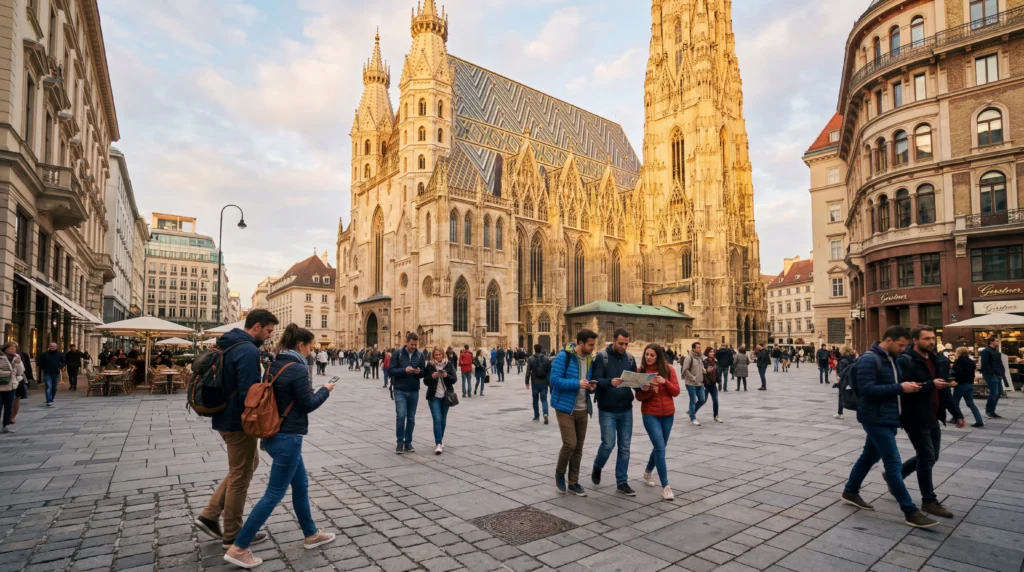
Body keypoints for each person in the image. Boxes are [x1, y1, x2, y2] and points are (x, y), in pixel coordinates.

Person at [223, 324, 335, 569]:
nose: (311, 350)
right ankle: (239, 547)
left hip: (272, 434)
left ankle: (311, 534)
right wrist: (325, 391)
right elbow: (308, 404)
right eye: (309, 346)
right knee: (273, 494)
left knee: (301, 484)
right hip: (288, 438)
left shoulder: (274, 364)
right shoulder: (297, 368)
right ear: (300, 345)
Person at [194, 310, 280, 548]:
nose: (269, 336)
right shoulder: (247, 350)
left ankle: (210, 515)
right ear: (257, 327)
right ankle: (233, 533)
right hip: (237, 421)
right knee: (240, 476)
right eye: (269, 331)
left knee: (247, 466)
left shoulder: (228, 343)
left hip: (224, 415)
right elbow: (248, 392)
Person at [839, 325, 938, 529]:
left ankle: (850, 491)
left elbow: (896, 384)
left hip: (888, 417)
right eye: (901, 345)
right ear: (889, 340)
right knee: (893, 464)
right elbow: (867, 390)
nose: (903, 349)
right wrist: (900, 388)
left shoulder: (891, 359)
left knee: (869, 456)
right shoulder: (869, 359)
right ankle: (910, 511)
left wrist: (923, 386)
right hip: (874, 417)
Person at [893, 325, 964, 519]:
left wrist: (956, 413)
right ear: (915, 340)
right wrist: (929, 385)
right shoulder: (906, 360)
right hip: (914, 416)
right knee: (926, 457)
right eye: (926, 339)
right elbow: (903, 387)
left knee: (932, 456)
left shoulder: (937, 360)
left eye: (933, 338)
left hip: (933, 414)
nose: (931, 342)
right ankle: (929, 500)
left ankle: (895, 477)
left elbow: (944, 389)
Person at [590, 329, 639, 496]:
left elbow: (634, 381)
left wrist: (643, 385)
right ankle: (598, 465)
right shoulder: (601, 357)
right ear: (613, 341)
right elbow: (596, 381)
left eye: (626, 344)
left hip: (626, 408)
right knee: (608, 443)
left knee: (625, 447)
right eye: (621, 343)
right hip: (607, 408)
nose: (624, 347)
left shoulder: (630, 359)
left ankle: (622, 481)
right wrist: (610, 382)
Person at [550, 329, 597, 497]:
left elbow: (587, 385)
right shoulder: (564, 356)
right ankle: (559, 473)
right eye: (590, 345)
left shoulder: (590, 359)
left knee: (579, 447)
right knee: (570, 443)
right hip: (564, 407)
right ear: (581, 343)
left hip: (583, 408)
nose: (593, 348)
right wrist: (577, 383)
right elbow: (554, 380)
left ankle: (574, 482)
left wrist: (591, 387)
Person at [635, 343, 679, 501]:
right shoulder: (641, 371)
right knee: (660, 447)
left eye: (652, 355)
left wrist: (664, 382)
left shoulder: (668, 370)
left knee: (660, 446)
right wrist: (646, 391)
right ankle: (666, 486)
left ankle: (648, 472)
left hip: (668, 414)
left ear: (658, 356)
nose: (648, 357)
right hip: (650, 414)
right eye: (647, 354)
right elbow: (638, 397)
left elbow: (676, 391)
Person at [388, 333, 426, 454]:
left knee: (411, 418)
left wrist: (419, 372)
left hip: (414, 390)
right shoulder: (397, 353)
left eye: (415, 344)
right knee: (401, 416)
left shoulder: (420, 355)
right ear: (406, 342)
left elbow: (423, 372)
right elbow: (391, 370)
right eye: (412, 344)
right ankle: (400, 442)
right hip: (400, 390)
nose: (414, 347)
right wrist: (404, 370)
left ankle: (408, 442)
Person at [423, 347, 456, 455]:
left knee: (443, 420)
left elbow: (454, 379)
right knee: (437, 419)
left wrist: (446, 375)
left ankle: (440, 439)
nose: (438, 357)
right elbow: (425, 381)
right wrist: (432, 376)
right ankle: (438, 443)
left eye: (439, 355)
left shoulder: (449, 364)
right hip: (434, 397)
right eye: (436, 355)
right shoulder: (430, 366)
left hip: (446, 396)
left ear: (443, 355)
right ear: (433, 356)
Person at [952, 347, 983, 428]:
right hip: (969, 384)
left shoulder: (959, 361)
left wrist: (954, 378)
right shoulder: (971, 361)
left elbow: (957, 372)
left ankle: (956, 418)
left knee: (955, 403)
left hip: (960, 384)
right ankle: (979, 420)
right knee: (971, 404)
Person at [681, 342, 707, 426]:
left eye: (700, 347)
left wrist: (703, 370)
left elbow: (701, 366)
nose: (700, 349)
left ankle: (691, 412)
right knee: (693, 400)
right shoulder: (688, 358)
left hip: (700, 382)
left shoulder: (700, 358)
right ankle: (693, 417)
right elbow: (685, 370)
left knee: (702, 399)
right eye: (698, 347)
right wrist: (693, 378)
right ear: (693, 348)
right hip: (691, 383)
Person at [1, 342, 25, 433]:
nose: (13, 349)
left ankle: (6, 425)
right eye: (11, 348)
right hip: (1, 384)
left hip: (11, 385)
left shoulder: (17, 357)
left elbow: (21, 371)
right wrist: (11, 365)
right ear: (5, 348)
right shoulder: (2, 357)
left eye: (14, 348)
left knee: (9, 406)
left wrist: (18, 363)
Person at [525, 344, 551, 423]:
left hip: (535, 382)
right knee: (544, 399)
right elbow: (549, 371)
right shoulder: (547, 359)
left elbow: (528, 371)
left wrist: (527, 382)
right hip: (544, 382)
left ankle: (536, 417)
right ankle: (545, 414)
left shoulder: (530, 358)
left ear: (534, 349)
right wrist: (549, 382)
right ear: (541, 349)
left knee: (535, 400)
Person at [979, 337, 1004, 420]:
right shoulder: (986, 351)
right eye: (996, 341)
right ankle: (989, 411)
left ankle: (992, 411)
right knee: (994, 392)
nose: (998, 342)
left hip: (997, 374)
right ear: (991, 342)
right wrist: (991, 372)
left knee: (999, 391)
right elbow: (984, 363)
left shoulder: (995, 351)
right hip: (991, 374)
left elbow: (999, 362)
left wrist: (1001, 372)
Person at [38, 342, 65, 406]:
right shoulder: (44, 354)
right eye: (51, 346)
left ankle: (51, 398)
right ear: (49, 347)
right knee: (48, 386)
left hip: (56, 373)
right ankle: (49, 400)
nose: (52, 347)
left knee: (54, 387)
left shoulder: (59, 354)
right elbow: (39, 362)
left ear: (56, 347)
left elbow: (64, 361)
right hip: (47, 373)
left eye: (54, 346)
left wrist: (60, 367)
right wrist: (43, 368)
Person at [834, 346, 857, 419]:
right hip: (853, 380)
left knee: (841, 396)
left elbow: (842, 373)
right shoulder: (853, 359)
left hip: (844, 381)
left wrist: (838, 378)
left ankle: (840, 413)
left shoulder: (843, 361)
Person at [703, 347, 723, 423]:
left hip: (713, 384)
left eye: (713, 352)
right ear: (707, 353)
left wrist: (719, 382)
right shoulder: (704, 362)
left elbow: (717, 372)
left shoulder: (715, 361)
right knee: (703, 400)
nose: (712, 353)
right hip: (706, 384)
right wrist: (707, 371)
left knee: (715, 400)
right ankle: (692, 412)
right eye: (710, 352)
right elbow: (703, 373)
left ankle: (716, 416)